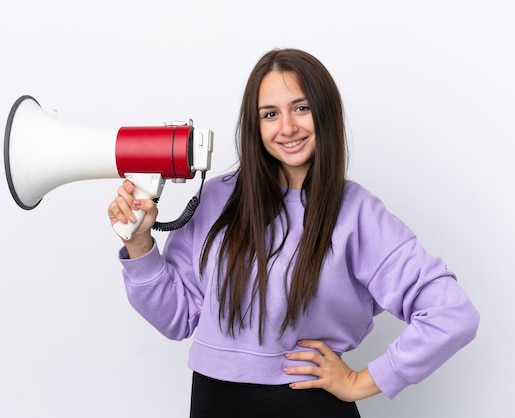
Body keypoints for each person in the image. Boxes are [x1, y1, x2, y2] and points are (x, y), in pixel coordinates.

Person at [107, 48, 480, 417]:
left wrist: (362, 382)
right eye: (270, 114)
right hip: (212, 403)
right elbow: (178, 318)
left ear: (325, 113)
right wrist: (140, 246)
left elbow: (451, 313)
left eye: (301, 108)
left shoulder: (357, 213)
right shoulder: (217, 198)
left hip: (308, 405)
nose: (287, 127)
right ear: (256, 126)